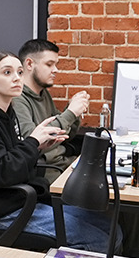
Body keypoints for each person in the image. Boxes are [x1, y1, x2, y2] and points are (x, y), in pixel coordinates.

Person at [0, 51, 117, 253]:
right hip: (2, 209)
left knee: (112, 229)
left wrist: (38, 147)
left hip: (22, 199)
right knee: (102, 241)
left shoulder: (6, 112)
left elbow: (12, 157)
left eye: (19, 72)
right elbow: (0, 171)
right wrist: (33, 141)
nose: (17, 78)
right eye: (7, 72)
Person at [10, 38, 89, 182]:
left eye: (56, 64)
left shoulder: (43, 93)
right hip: (48, 172)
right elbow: (32, 142)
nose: (55, 70)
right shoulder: (17, 98)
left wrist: (74, 112)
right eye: (49, 64)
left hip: (63, 164)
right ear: (29, 64)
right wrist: (71, 112)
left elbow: (65, 135)